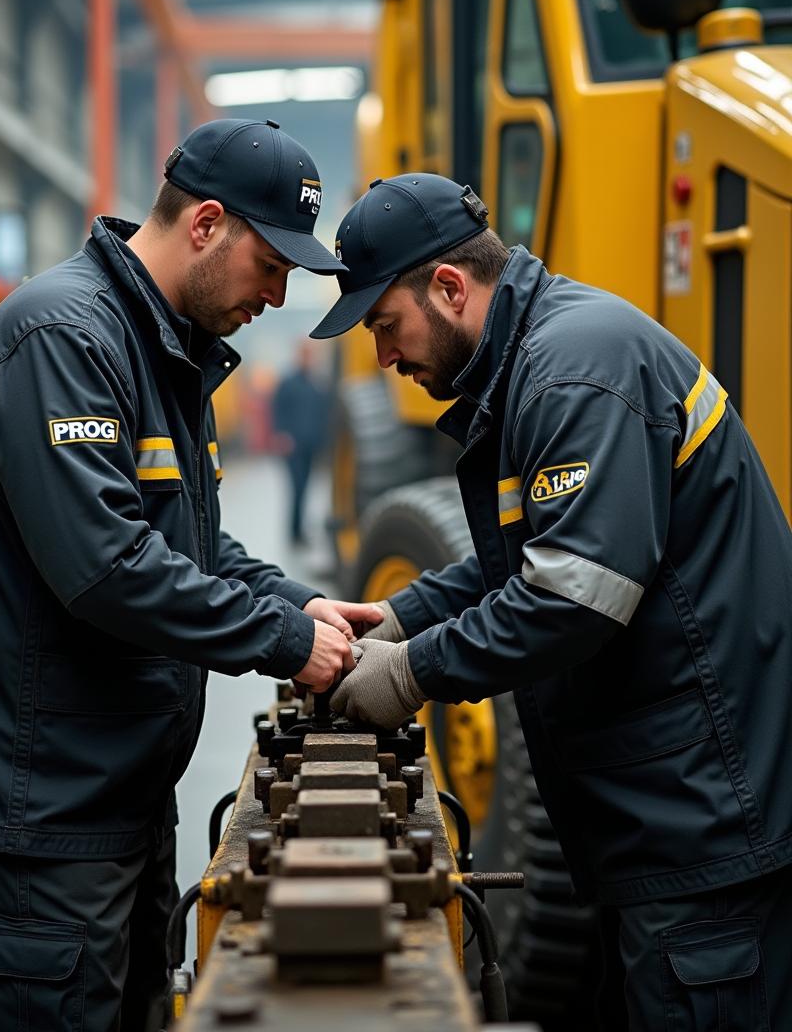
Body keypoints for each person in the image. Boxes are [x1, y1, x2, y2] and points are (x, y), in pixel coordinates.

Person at [0, 118, 382, 1032]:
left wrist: (300, 603)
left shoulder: (166, 355)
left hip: (115, 801)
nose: (277, 299)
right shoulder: (59, 339)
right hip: (38, 819)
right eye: (271, 266)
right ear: (206, 225)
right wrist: (285, 644)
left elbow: (193, 546)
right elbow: (106, 567)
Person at [312, 172, 792, 1029]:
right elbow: (519, 561)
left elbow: (573, 597)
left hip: (703, 825)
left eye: (387, 325)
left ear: (451, 288)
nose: (384, 357)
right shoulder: (534, 367)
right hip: (654, 815)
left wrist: (413, 673)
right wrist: (400, 618)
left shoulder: (575, 373)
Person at [272, 341, 331, 544]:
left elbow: (324, 413)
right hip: (293, 446)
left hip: (311, 444)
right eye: (305, 354)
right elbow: (278, 410)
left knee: (306, 487)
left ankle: (301, 529)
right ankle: (294, 533)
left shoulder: (317, 383)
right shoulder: (288, 382)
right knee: (297, 488)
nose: (309, 358)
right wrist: (281, 434)